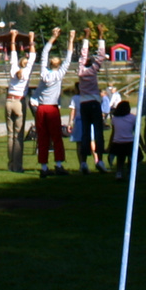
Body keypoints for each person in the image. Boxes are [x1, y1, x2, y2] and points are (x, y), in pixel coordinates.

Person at [32, 26, 76, 177]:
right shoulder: (60, 74)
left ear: (50, 64)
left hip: (41, 108)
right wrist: (71, 39)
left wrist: (53, 37)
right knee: (56, 137)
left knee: (42, 137)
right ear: (59, 64)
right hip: (52, 109)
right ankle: (58, 164)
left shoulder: (44, 73)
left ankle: (44, 167)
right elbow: (69, 58)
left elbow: (44, 53)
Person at [72, 31, 107, 173]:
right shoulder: (93, 70)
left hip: (83, 104)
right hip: (94, 103)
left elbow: (82, 55)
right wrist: (100, 36)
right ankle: (100, 160)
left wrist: (85, 38)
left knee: (85, 133)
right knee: (98, 132)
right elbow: (101, 56)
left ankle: (84, 163)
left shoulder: (81, 71)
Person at [4, 28, 36, 173]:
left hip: (8, 101)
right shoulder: (27, 71)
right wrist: (31, 39)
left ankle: (11, 163)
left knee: (10, 134)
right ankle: (18, 165)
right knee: (19, 135)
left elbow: (13, 54)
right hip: (19, 101)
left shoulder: (13, 69)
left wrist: (13, 38)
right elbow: (33, 55)